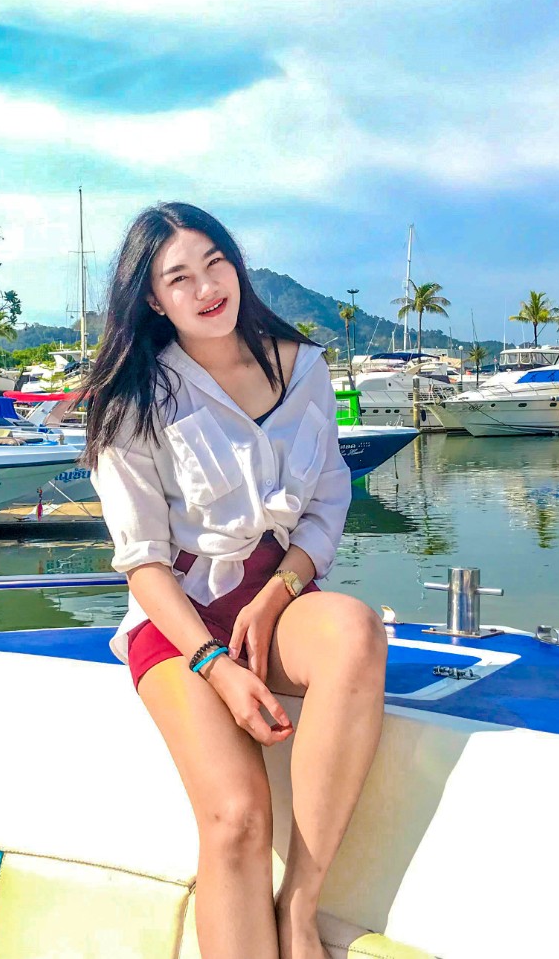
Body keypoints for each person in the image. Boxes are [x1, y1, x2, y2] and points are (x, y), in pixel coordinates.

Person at [87, 202, 387, 959]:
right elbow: (143, 561)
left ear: (237, 264)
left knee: (354, 630)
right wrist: (216, 665)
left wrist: (280, 590)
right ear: (155, 300)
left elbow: (328, 501)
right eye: (179, 277)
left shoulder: (303, 368)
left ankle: (299, 908)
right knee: (236, 817)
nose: (206, 287)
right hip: (181, 623)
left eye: (215, 262)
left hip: (276, 599)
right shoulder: (135, 396)